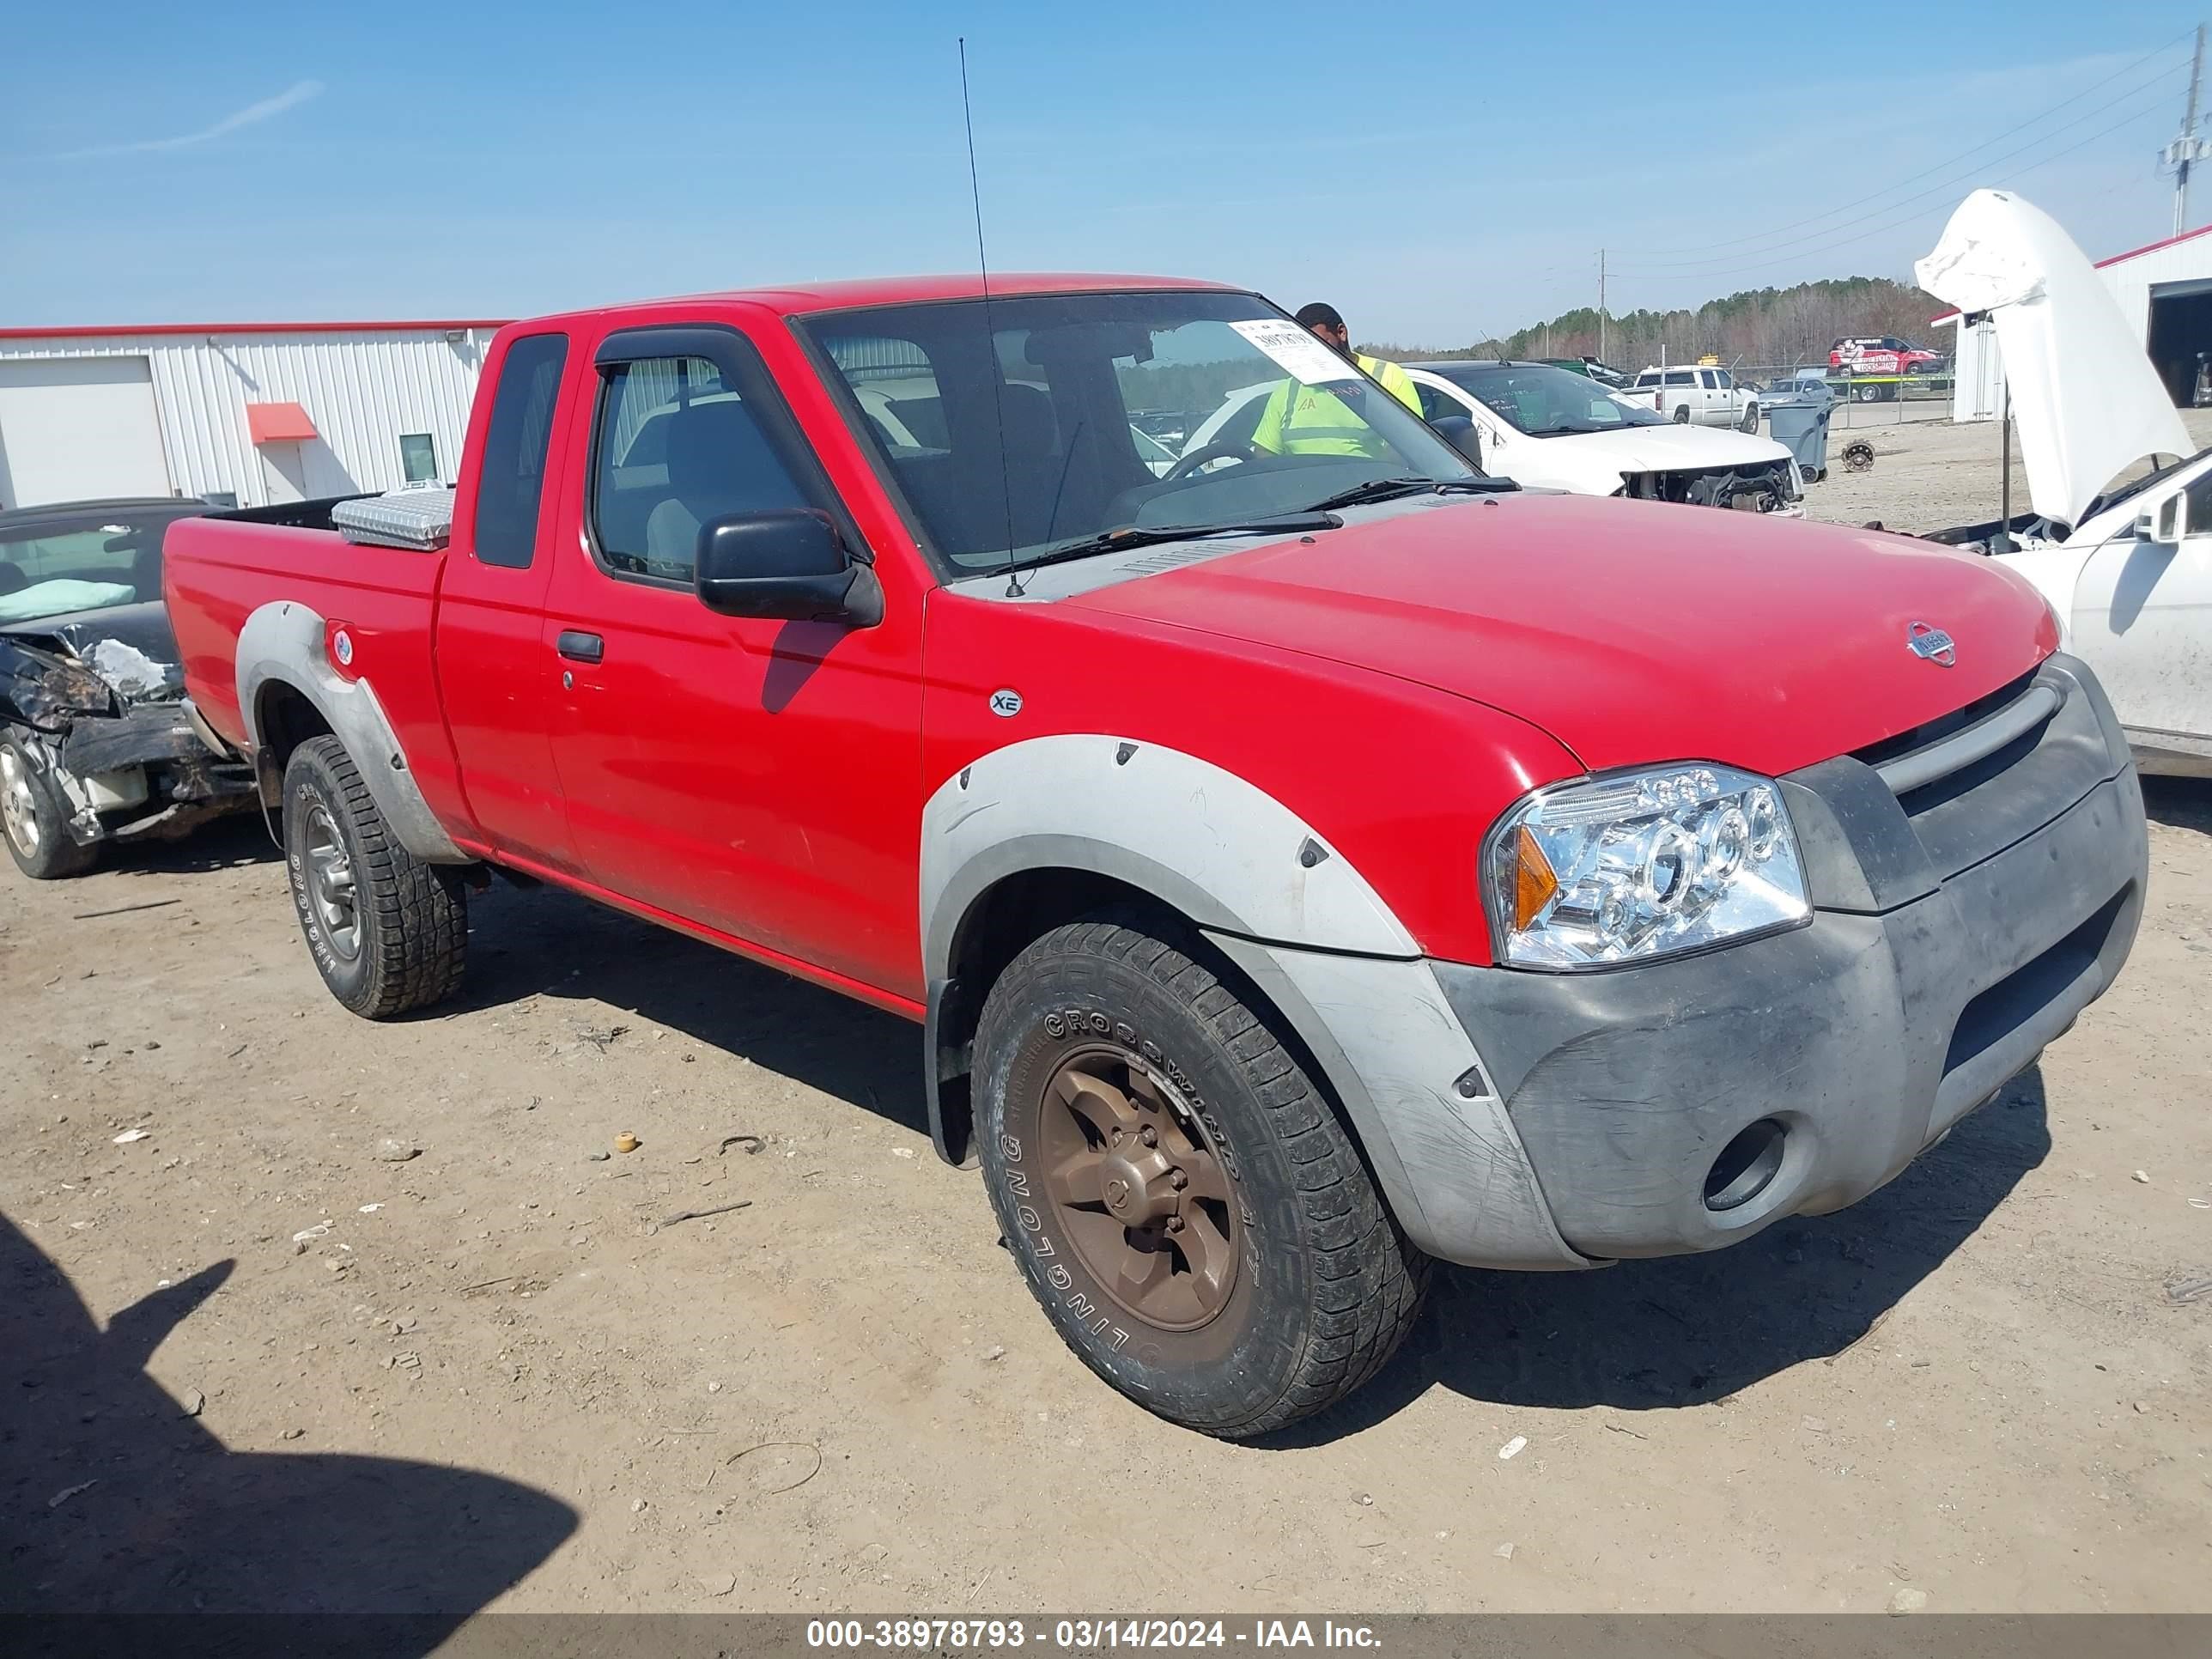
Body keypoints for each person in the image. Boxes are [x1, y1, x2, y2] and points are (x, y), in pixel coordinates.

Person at [1249, 302, 1423, 458]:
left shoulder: (1386, 377)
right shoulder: (1289, 390)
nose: (1313, 352)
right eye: (1306, 345)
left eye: (1320, 343)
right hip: (1304, 492)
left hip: (1372, 490)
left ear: (1341, 333)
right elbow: (1265, 453)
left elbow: (1413, 444)